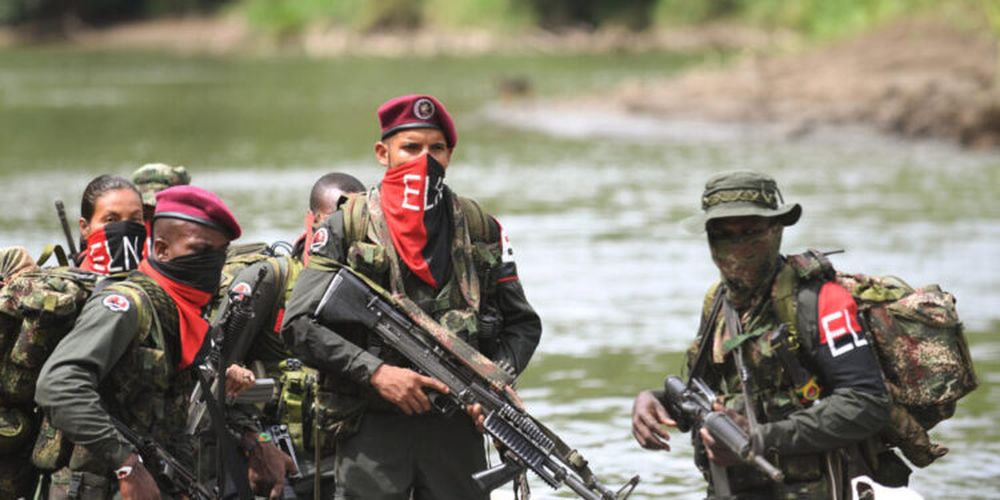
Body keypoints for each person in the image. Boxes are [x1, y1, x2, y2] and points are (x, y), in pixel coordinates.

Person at [281, 94, 543, 499]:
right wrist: (375, 372)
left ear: (450, 155)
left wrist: (494, 383)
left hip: (455, 427)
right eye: (411, 148)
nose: (424, 159)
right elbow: (298, 325)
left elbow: (522, 324)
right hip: (370, 424)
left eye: (435, 148)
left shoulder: (479, 227)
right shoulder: (346, 226)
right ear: (383, 153)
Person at [631, 170, 892, 499]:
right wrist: (655, 402)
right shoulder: (718, 304)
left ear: (776, 229)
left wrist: (762, 438)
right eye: (722, 234)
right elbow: (706, 398)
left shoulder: (820, 301)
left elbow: (867, 403)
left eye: (749, 232)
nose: (737, 247)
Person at [35, 185, 294, 499]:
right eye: (200, 251)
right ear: (161, 249)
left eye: (219, 254)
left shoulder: (182, 314)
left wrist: (256, 441)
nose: (211, 264)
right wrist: (127, 465)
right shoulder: (127, 306)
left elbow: (200, 399)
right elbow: (58, 385)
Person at [216, 172, 365, 499]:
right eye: (331, 222)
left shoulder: (370, 287)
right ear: (310, 221)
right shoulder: (271, 280)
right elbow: (215, 378)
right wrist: (260, 444)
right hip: (275, 464)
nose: (342, 233)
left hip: (348, 467)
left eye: (354, 224)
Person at [75, 174, 147, 274]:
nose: (125, 229)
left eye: (134, 219)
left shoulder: (156, 284)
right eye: (111, 220)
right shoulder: (61, 287)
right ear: (85, 227)